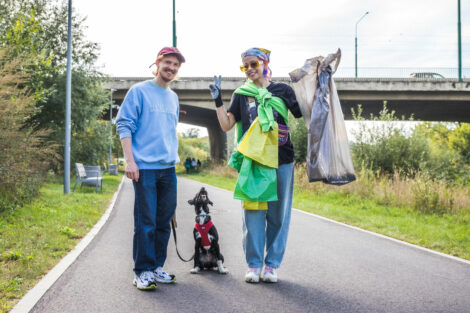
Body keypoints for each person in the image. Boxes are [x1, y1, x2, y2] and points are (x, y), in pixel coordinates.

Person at [209, 47, 302, 283]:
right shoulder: (242, 94)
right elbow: (226, 126)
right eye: (245, 66)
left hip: (282, 160)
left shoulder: (282, 90)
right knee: (252, 214)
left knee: (278, 215)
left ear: (265, 62)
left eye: (253, 64)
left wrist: (314, 86)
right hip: (253, 162)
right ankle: (253, 264)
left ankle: (271, 265)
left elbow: (303, 112)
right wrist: (218, 100)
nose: (249, 69)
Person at [116, 46, 185, 290]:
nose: (171, 68)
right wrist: (130, 161)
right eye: (168, 62)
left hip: (168, 169)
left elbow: (167, 131)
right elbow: (124, 125)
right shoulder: (139, 91)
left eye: (176, 65)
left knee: (163, 222)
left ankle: (156, 266)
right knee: (145, 221)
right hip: (144, 168)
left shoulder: (174, 97)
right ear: (158, 63)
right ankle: (142, 271)